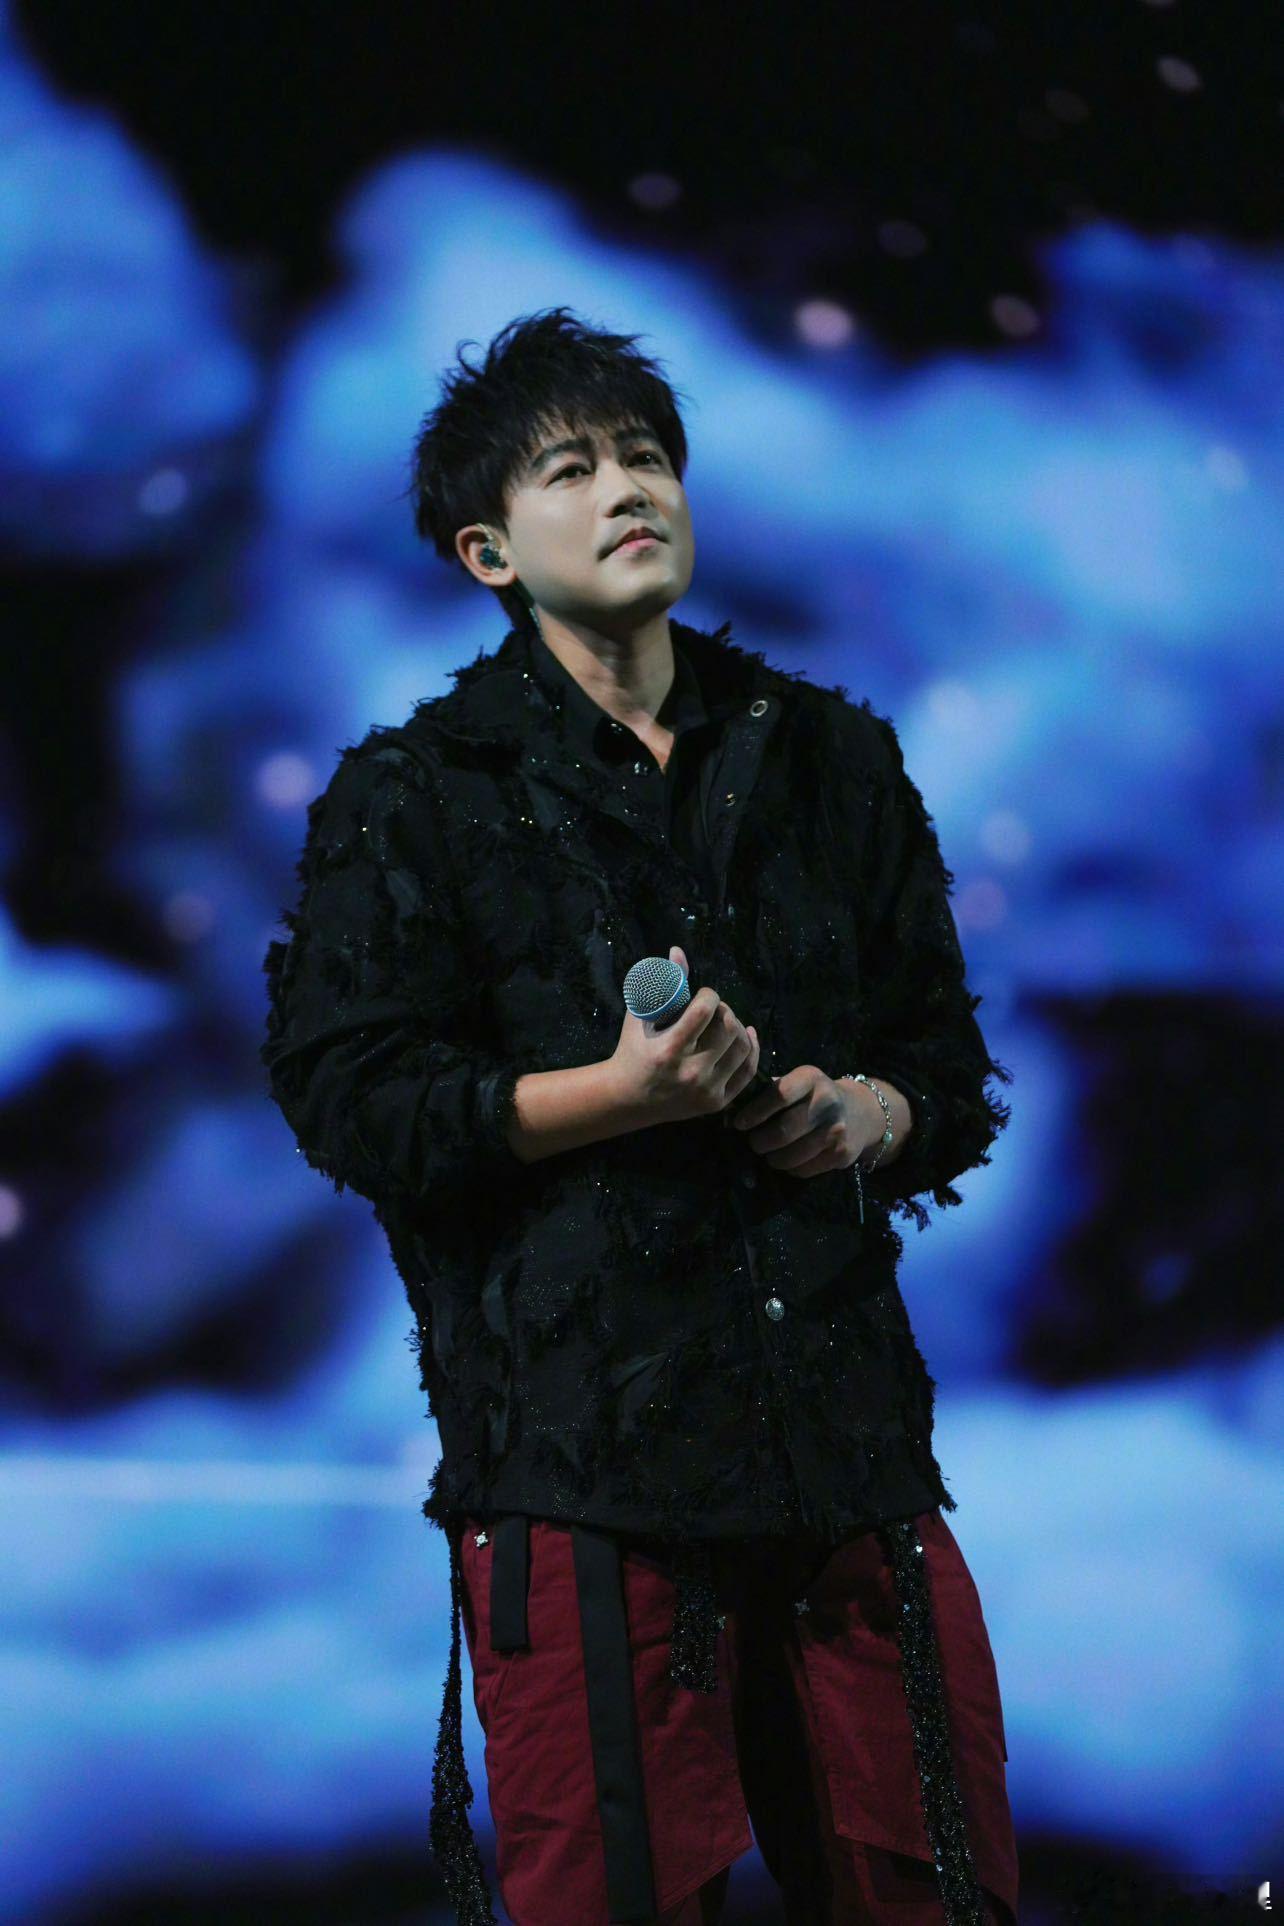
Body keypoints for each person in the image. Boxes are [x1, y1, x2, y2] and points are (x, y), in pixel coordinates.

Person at [260, 307, 1018, 1925]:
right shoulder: (418, 795)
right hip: (584, 1469)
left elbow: (946, 1060)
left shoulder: (832, 759)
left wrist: (868, 1112)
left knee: (936, 1893)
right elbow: (351, 1097)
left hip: (846, 1451)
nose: (629, 489)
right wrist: (615, 1095)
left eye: (649, 456)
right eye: (573, 468)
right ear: (487, 551)